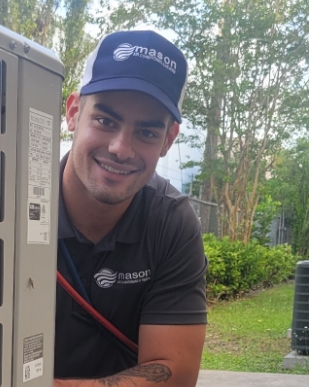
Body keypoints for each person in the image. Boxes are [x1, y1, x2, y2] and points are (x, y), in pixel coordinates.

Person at [53, 30, 208, 387]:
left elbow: (176, 371)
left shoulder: (171, 222)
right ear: (74, 113)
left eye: (147, 133)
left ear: (168, 140)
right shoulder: (5, 205)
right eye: (105, 121)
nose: (121, 149)